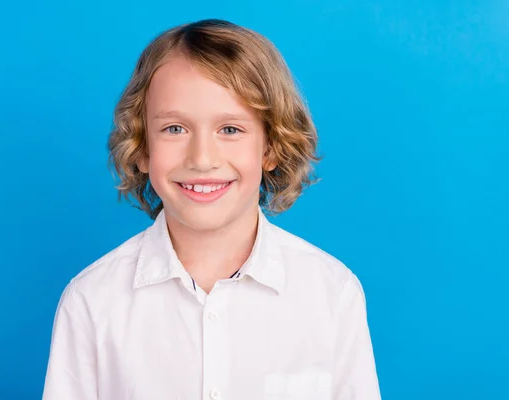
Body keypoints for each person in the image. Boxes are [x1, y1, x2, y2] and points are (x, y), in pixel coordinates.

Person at [42, 19, 380, 400]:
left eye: (230, 130)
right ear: (142, 149)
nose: (202, 159)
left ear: (269, 148)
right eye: (174, 129)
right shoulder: (92, 301)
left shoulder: (332, 294)